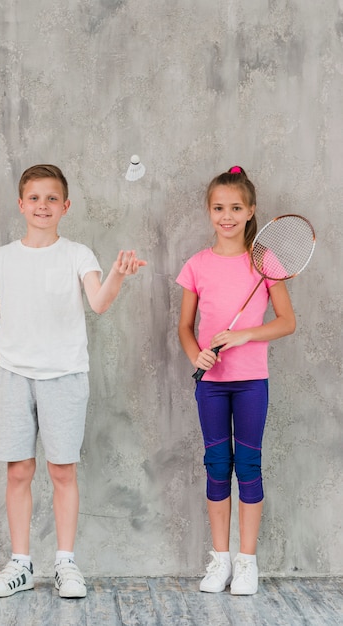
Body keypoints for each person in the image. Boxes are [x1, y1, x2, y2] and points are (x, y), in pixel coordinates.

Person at [0, 164, 147, 599]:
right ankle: (22, 564)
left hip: (65, 377)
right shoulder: (1, 258)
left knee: (62, 470)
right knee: (18, 471)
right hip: (11, 377)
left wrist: (119, 273)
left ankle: (65, 563)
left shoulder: (78, 254)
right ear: (20, 204)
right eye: (34, 198)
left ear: (65, 206)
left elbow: (99, 302)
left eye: (51, 199)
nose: (42, 205)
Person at [176, 166, 296, 595]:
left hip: (250, 383)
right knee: (216, 467)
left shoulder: (265, 262)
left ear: (251, 212)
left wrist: (245, 334)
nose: (227, 216)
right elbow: (185, 328)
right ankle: (220, 561)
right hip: (211, 383)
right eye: (219, 208)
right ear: (209, 211)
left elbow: (287, 322)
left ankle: (247, 562)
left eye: (236, 208)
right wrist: (197, 354)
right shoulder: (197, 265)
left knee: (247, 467)